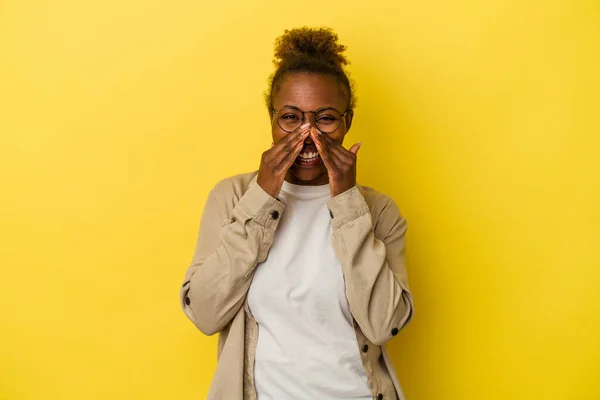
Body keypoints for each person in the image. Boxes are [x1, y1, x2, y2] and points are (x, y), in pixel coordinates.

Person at [180, 27, 414, 400]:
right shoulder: (232, 197)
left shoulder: (379, 210)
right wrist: (262, 198)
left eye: (325, 119)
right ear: (272, 119)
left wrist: (348, 202)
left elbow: (385, 324)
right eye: (291, 117)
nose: (307, 135)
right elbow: (205, 314)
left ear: (347, 120)